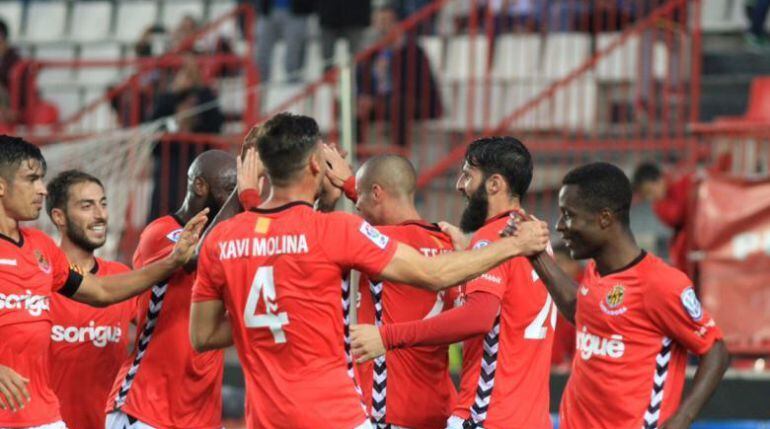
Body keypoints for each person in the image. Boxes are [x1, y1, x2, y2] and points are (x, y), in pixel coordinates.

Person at [188, 113, 549, 429]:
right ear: (315, 165)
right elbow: (434, 273)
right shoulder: (341, 233)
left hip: (270, 418)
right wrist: (514, 245)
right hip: (344, 416)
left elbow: (202, 335)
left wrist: (248, 198)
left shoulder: (223, 240)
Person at [0, 135, 205, 429]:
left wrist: (172, 261)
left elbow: (101, 290)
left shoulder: (40, 247)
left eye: (42, 180)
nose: (42, 189)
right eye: (31, 179)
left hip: (43, 415)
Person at [350, 137, 556, 429]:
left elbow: (478, 316)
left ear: (494, 184)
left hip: (486, 416)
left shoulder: (494, 238)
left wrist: (387, 337)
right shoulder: (533, 235)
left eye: (468, 175)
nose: (460, 185)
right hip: (531, 418)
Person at [527, 162, 729, 429]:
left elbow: (716, 350)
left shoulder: (659, 283)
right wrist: (535, 254)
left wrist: (683, 418)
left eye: (568, 215)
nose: (560, 226)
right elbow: (581, 311)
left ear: (605, 218)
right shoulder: (595, 272)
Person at [324, 151, 458, 428]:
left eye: (360, 196)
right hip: (439, 408)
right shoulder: (449, 243)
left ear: (376, 193)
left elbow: (321, 237)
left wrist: (338, 189)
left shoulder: (382, 242)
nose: (356, 205)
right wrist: (353, 184)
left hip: (389, 411)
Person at [105, 150, 237, 429]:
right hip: (146, 406)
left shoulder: (230, 241)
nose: (235, 199)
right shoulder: (161, 232)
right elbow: (197, 257)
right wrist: (243, 191)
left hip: (203, 414)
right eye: (229, 189)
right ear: (200, 185)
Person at [46, 170, 137, 429]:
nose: (100, 215)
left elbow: (159, 332)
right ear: (59, 217)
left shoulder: (120, 277)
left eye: (103, 204)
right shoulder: (38, 279)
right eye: (87, 206)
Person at [357, 2, 442, 148]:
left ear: (397, 23)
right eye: (377, 22)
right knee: (354, 108)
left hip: (415, 102)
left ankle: (400, 153)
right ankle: (356, 154)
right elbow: (361, 78)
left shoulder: (413, 51)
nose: (381, 27)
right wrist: (365, 96)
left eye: (385, 22)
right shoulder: (372, 53)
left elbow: (415, 85)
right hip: (382, 103)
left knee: (398, 104)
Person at [632, 161, 693, 276]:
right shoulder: (660, 205)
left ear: (659, 180)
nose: (651, 197)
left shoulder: (683, 182)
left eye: (650, 191)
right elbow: (674, 218)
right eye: (647, 195)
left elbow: (676, 215)